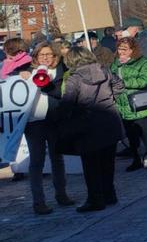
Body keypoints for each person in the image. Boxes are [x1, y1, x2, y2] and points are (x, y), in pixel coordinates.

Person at [58, 47, 125, 212]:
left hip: (87, 124)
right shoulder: (105, 70)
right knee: (108, 163)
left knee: (91, 165)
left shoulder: (75, 78)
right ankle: (110, 195)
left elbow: (68, 102)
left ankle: (95, 199)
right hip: (109, 120)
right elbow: (120, 86)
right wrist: (109, 99)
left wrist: (62, 116)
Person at [22, 42, 73, 215]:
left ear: (55, 56)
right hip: (33, 123)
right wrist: (21, 74)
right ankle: (39, 202)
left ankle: (61, 194)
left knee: (57, 158)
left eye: (49, 54)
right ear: (35, 57)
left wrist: (47, 86)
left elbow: (63, 93)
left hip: (54, 120)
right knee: (37, 162)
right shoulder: (27, 70)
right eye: (41, 55)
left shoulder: (61, 71)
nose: (45, 57)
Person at [110, 38, 147, 171]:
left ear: (132, 50)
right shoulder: (115, 63)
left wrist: (124, 82)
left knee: (144, 132)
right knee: (130, 134)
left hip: (137, 102)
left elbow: (146, 80)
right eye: (120, 48)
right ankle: (136, 159)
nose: (121, 52)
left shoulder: (142, 62)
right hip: (122, 103)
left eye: (125, 49)